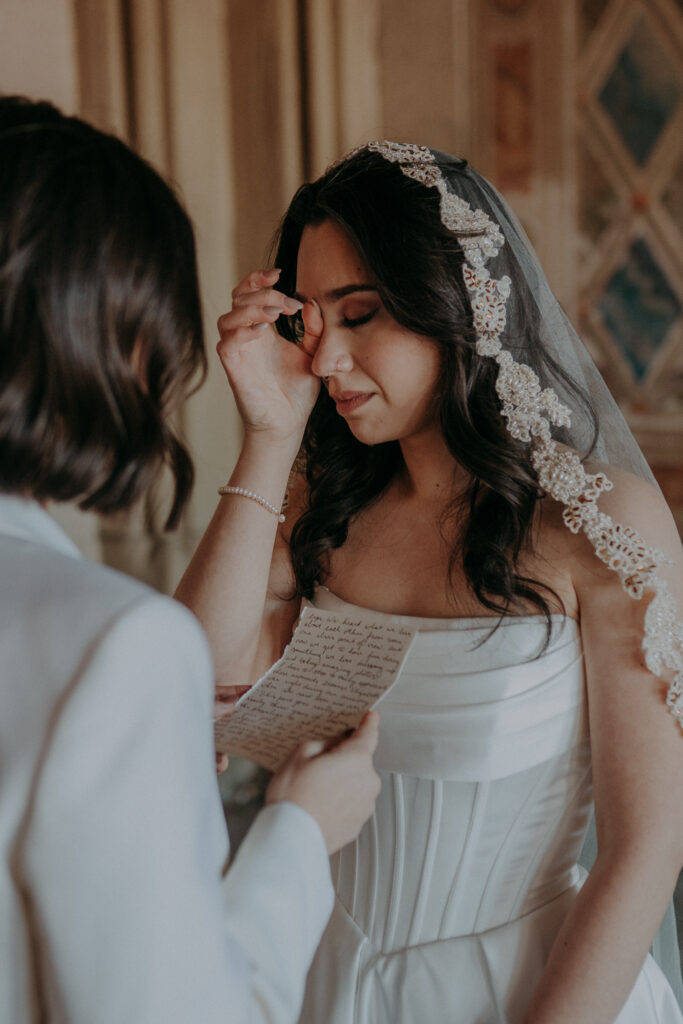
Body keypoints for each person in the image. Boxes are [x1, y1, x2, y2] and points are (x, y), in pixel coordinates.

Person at [177, 140, 683, 1023]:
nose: (325, 359)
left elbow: (644, 849)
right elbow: (191, 678)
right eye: (309, 320)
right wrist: (266, 432)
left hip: (533, 988)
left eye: (361, 313)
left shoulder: (595, 524)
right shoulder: (321, 508)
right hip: (318, 978)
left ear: (456, 307)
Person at [0, 95, 382, 1024]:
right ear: (109, 330)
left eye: (363, 311)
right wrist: (298, 829)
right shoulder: (110, 644)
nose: (328, 354)